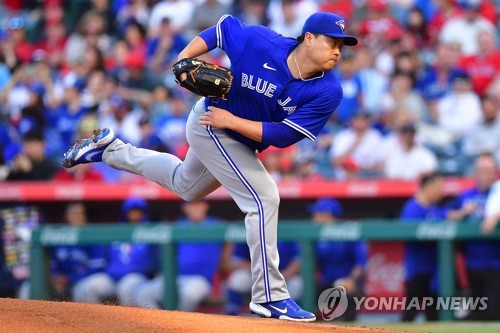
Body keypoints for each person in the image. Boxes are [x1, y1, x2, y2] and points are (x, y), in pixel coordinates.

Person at [62, 11, 359, 321]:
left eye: (342, 45)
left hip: (232, 130)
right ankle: (270, 297)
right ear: (308, 38)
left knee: (185, 186)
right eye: (332, 42)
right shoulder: (263, 42)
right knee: (265, 198)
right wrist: (184, 58)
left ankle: (111, 150)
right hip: (209, 124)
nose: (338, 50)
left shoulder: (328, 90)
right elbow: (223, 28)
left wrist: (232, 120)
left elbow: (284, 136)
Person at [133, 200, 224, 311]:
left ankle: (177, 324)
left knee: (189, 294)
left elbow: (230, 245)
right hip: (175, 278)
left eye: (198, 204)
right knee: (142, 293)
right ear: (184, 208)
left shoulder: (216, 225)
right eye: (191, 204)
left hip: (200, 280)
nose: (195, 207)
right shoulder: (177, 226)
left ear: (205, 206)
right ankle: (160, 323)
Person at [447, 153, 500, 320]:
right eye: (481, 170)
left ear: (495, 172)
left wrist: (496, 215)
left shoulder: (498, 192)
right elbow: (446, 214)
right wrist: (463, 212)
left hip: (496, 265)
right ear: (475, 172)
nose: (485, 174)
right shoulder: (466, 195)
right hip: (470, 265)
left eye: (489, 170)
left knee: (493, 315)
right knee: (475, 315)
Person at [311, 197, 367, 321]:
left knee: (351, 294)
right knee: (307, 291)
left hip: (348, 283)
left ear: (327, 215)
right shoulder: (314, 235)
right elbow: (310, 264)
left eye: (317, 213)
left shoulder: (349, 231)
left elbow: (361, 263)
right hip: (325, 283)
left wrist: (351, 280)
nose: (314, 217)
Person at [400, 172, 446, 322]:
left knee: (434, 316)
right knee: (409, 315)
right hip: (417, 270)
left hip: (434, 271)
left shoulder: (435, 208)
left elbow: (446, 216)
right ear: (428, 186)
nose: (441, 190)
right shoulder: (411, 208)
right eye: (438, 186)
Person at [224, 241, 302, 316]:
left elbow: (297, 260)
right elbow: (235, 261)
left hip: (282, 276)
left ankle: (291, 317)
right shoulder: (252, 231)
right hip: (256, 274)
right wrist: (260, 271)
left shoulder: (285, 232)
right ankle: (233, 315)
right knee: (239, 278)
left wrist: (282, 276)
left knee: (296, 284)